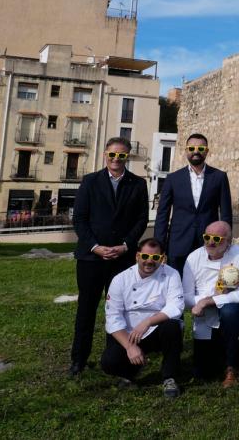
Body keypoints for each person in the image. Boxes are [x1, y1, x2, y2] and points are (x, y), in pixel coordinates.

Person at [68, 137, 150, 377]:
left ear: (127, 157)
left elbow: (141, 220)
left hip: (121, 258)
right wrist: (95, 246)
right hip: (91, 259)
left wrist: (125, 246)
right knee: (86, 309)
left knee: (119, 310)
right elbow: (80, 219)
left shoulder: (138, 184)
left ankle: (114, 359)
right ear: (105, 155)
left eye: (121, 155)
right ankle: (78, 360)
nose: (116, 159)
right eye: (112, 154)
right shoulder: (90, 181)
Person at [100, 237, 185, 398]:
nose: (149, 261)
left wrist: (148, 322)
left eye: (155, 257)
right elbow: (113, 317)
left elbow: (176, 306)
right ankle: (131, 371)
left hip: (156, 328)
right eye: (145, 256)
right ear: (137, 256)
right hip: (129, 332)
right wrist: (129, 346)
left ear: (162, 258)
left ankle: (169, 377)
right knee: (109, 363)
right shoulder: (120, 279)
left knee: (172, 327)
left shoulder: (171, 274)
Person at [182, 221, 239, 387]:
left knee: (230, 312)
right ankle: (224, 350)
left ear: (229, 241)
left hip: (230, 306)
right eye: (207, 237)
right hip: (203, 313)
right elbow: (186, 297)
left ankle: (231, 368)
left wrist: (208, 301)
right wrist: (205, 302)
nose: (211, 242)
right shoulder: (193, 257)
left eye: (217, 239)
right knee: (202, 372)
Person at [154, 133, 232, 273]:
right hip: (178, 243)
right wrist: (158, 245)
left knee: (206, 283)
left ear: (206, 151)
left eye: (200, 148)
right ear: (186, 151)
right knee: (176, 283)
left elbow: (226, 212)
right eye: (191, 148)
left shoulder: (219, 177)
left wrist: (226, 240)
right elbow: (162, 215)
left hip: (209, 243)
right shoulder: (173, 179)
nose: (196, 151)